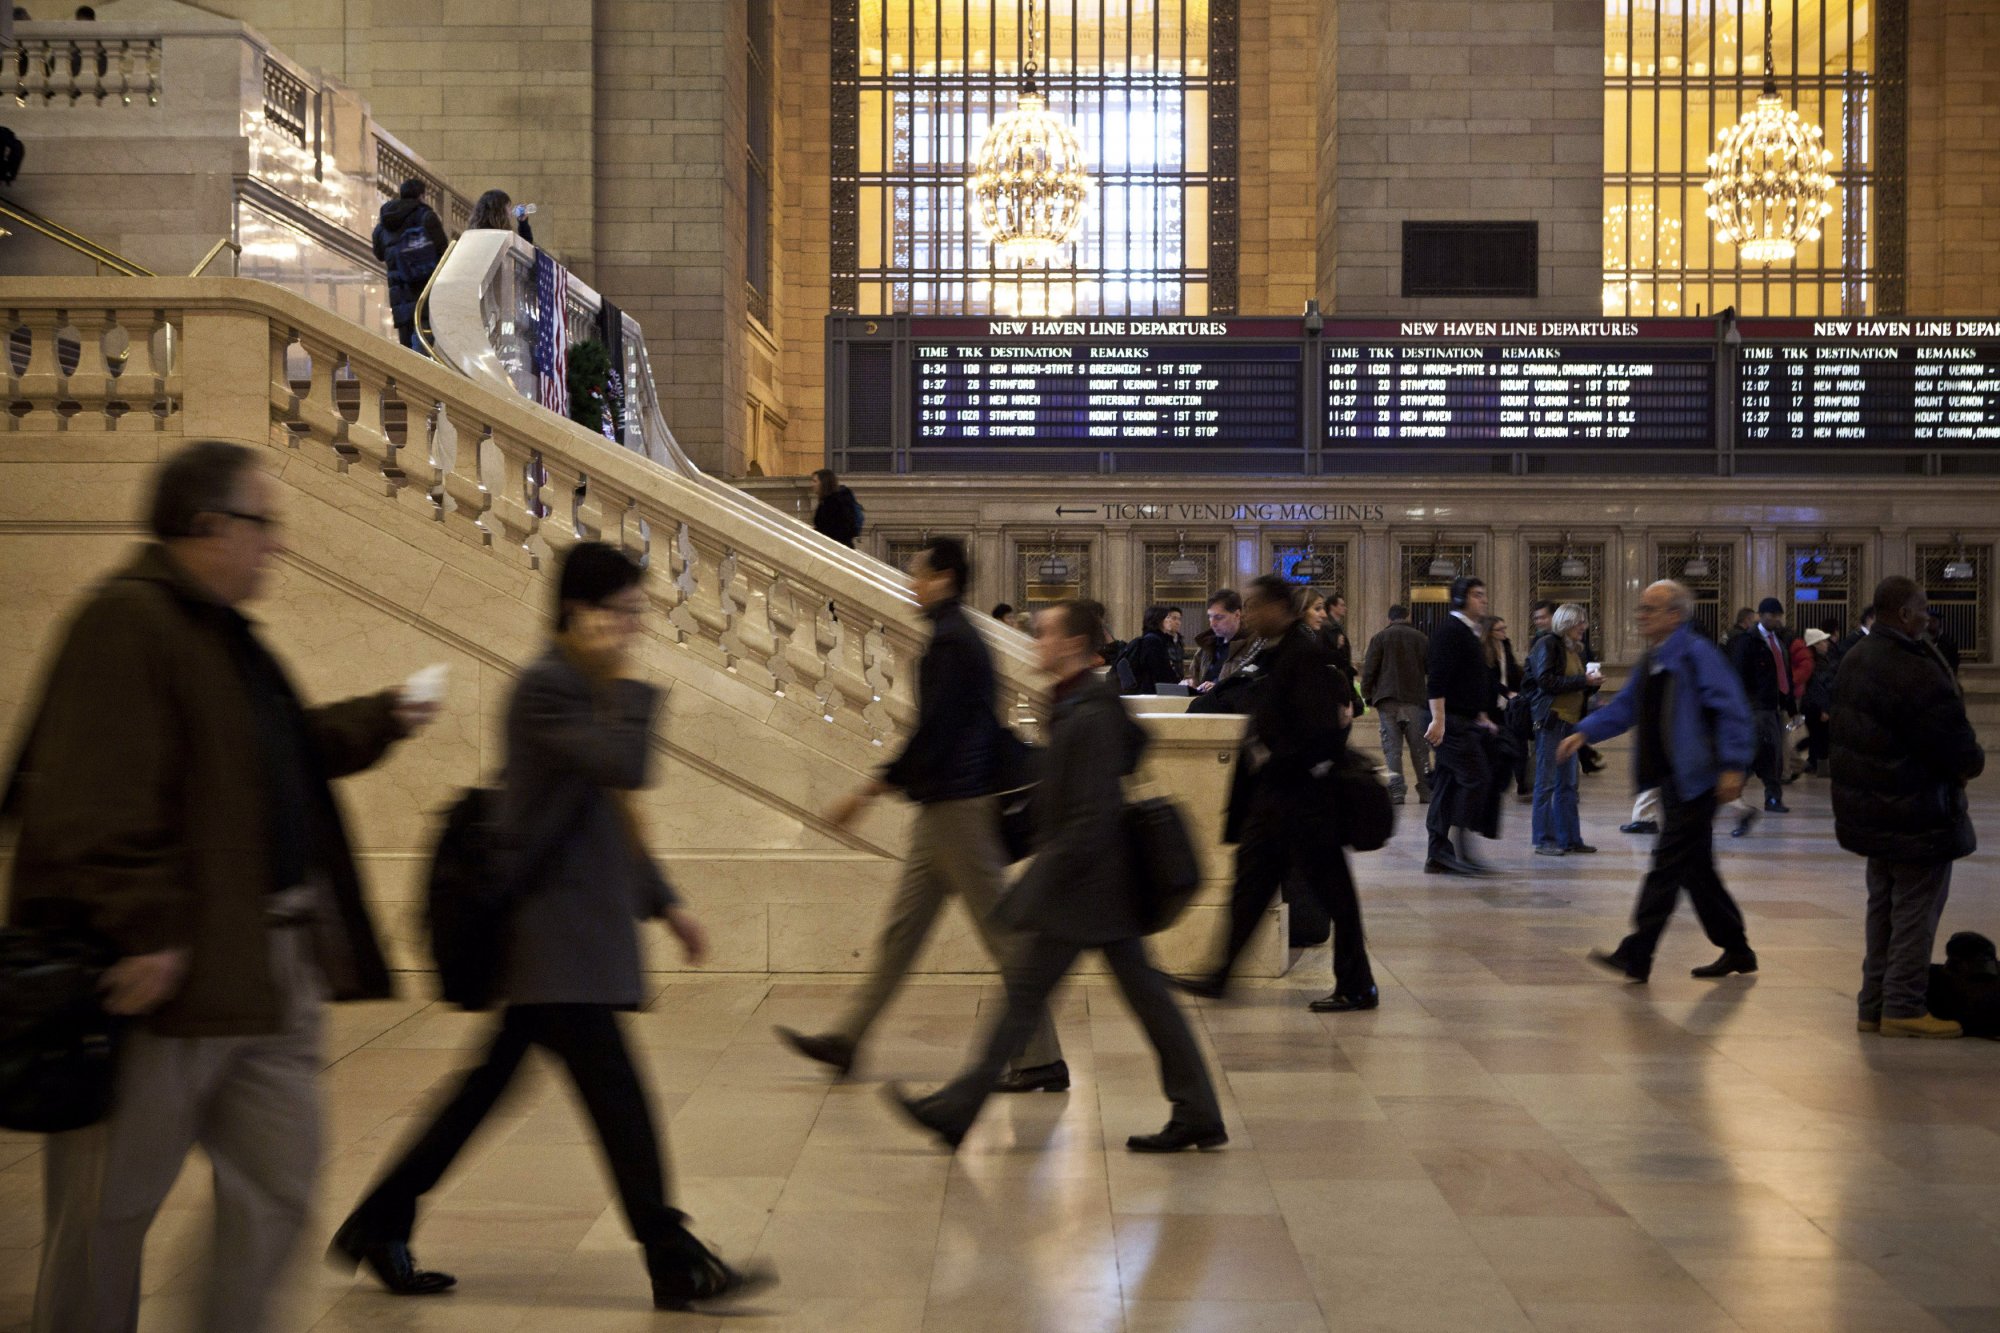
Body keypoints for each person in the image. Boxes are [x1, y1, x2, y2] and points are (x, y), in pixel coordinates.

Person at [8, 442, 436, 1333]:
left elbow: (281, 755)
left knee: (277, 1186)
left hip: (265, 974)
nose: (276, 543)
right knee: (106, 1211)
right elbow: (84, 801)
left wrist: (386, 717)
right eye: (261, 524)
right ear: (209, 526)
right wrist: (145, 930)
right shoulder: (126, 623)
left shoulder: (220, 634)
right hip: (166, 983)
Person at [332, 543, 766, 1310]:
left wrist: (665, 902)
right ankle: (673, 1256)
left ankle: (380, 1220)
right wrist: (627, 685)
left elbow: (607, 812)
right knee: (616, 1098)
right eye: (623, 610)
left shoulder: (577, 684)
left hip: (563, 940)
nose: (634, 626)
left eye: (636, 610)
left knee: (484, 1094)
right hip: (551, 940)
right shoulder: (547, 687)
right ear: (579, 610)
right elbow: (625, 767)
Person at [887, 601, 1226, 1153]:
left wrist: (1031, 889)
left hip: (1088, 888)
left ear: (1071, 644)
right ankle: (1198, 1110)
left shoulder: (1087, 712)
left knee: (1034, 999)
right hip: (1097, 885)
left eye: (1043, 633)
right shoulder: (1079, 702)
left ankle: (957, 1110)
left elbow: (1087, 819)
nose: (1035, 641)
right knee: (1120, 1001)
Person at [777, 538, 1065, 1088]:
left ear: (944, 579)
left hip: (960, 809)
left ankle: (1040, 1058)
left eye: (919, 574)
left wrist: (868, 791)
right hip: (944, 809)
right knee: (903, 934)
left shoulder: (953, 641)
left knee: (1003, 935)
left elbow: (937, 733)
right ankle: (848, 1039)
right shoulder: (954, 636)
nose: (911, 583)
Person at [1174, 577, 1377, 1013]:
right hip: (1277, 799)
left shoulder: (1305, 654)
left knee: (1336, 897)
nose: (1249, 614)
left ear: (1280, 609)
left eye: (1255, 606)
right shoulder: (1275, 651)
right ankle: (1220, 974)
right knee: (1250, 888)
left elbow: (1323, 729)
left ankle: (1358, 986)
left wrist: (1279, 759)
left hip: (1305, 800)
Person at [1560, 580, 1759, 984]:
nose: (1641, 616)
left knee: (1667, 865)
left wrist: (1733, 766)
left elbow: (1732, 710)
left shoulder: (1697, 654)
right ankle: (1737, 949)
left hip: (1698, 780)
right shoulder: (1654, 658)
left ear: (1675, 615)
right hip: (1672, 778)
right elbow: (1627, 706)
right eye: (1642, 608)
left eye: (1650, 609)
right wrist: (1586, 732)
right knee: (1696, 870)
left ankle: (1637, 952)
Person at [1833, 576, 1984, 1039]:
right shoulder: (1911, 666)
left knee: (1882, 909)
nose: (1928, 615)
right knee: (1916, 911)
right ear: (1903, 613)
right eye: (1922, 608)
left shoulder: (1856, 657)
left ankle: (1873, 1004)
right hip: (1917, 811)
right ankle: (1902, 1006)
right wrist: (1971, 764)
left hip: (1873, 811)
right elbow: (1952, 742)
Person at [1424, 577, 1501, 876]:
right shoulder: (1450, 631)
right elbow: (1437, 680)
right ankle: (1461, 846)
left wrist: (1480, 714)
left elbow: (1466, 679)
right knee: (1476, 778)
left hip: (1462, 719)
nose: (1484, 600)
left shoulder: (1467, 631)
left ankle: (1439, 854)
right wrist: (1439, 720)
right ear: (1461, 599)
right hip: (1451, 723)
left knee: (1447, 785)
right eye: (1477, 595)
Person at [1527, 603, 1602, 856]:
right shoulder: (1548, 644)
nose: (1584, 627)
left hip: (1571, 722)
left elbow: (1575, 685)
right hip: (1552, 721)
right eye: (1580, 622)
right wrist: (1582, 680)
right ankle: (1543, 839)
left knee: (1568, 784)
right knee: (1546, 782)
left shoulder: (1575, 649)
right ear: (1567, 623)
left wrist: (1591, 684)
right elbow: (1545, 681)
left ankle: (1570, 838)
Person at [1727, 597, 1794, 828]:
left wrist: (1790, 707)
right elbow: (1738, 675)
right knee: (1756, 753)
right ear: (1761, 615)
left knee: (1772, 754)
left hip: (1773, 708)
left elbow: (1785, 676)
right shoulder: (1747, 642)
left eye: (1778, 615)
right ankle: (1731, 793)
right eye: (1772, 615)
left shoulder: (1779, 643)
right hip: (1754, 709)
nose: (1776, 619)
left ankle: (1772, 797)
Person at [1361, 604, 1432, 805]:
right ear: (1407, 617)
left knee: (1392, 749)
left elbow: (1369, 670)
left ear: (1389, 619)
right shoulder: (1421, 638)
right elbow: (1431, 669)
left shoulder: (1379, 638)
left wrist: (1367, 695)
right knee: (1420, 749)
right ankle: (1426, 790)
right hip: (1415, 700)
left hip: (1387, 700)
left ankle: (1397, 792)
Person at [371, 177, 448, 352]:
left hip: (400, 296)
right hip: (425, 293)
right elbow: (444, 252)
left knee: (406, 350)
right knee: (425, 346)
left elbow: (379, 254)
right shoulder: (426, 217)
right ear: (422, 195)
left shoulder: (385, 223)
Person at [1485, 615, 1531, 799]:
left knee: (1519, 744)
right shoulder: (1483, 650)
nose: (1504, 632)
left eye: (1504, 628)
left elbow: (1511, 670)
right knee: (1496, 744)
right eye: (1500, 629)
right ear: (1490, 632)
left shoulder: (1505, 645)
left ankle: (1522, 783)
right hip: (1492, 704)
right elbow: (1488, 679)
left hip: (1510, 705)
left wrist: (1519, 690)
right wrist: (1506, 692)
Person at [1188, 589, 1254, 690]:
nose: (1212, 624)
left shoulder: (1253, 644)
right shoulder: (1207, 644)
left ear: (1237, 615)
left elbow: (1253, 685)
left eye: (1218, 617)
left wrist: (1219, 689)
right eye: (1210, 617)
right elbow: (1194, 676)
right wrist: (1190, 683)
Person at [1122, 604, 1185, 693]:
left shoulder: (1157, 639)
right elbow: (1159, 670)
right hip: (1151, 691)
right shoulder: (1153, 640)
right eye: (1167, 617)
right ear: (1158, 620)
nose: (1170, 621)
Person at [1799, 627, 1835, 775]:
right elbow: (1819, 688)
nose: (1827, 643)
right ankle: (1821, 768)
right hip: (1816, 707)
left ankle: (1813, 764)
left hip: (1810, 705)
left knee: (1815, 736)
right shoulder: (1818, 663)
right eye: (1823, 641)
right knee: (1821, 737)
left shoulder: (1814, 660)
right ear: (1816, 644)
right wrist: (1825, 709)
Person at [809, 467, 862, 548]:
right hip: (838, 546)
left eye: (815, 481)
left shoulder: (833, 503)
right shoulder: (828, 501)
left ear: (824, 483)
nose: (812, 484)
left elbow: (837, 529)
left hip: (838, 548)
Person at [467, 187, 536, 245]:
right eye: (508, 206)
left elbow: (526, 248)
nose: (511, 211)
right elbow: (524, 250)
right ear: (499, 211)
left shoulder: (473, 234)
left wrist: (523, 223)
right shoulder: (498, 237)